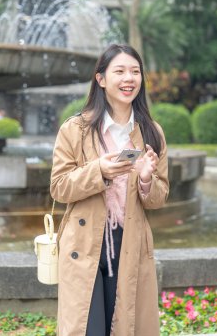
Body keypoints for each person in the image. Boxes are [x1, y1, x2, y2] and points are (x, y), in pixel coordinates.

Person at [50, 44, 169, 336]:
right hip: (85, 241)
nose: (129, 79)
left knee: (125, 326)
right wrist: (98, 171)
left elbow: (159, 197)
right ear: (101, 79)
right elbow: (59, 186)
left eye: (135, 72)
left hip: (130, 241)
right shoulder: (75, 129)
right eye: (120, 71)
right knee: (87, 328)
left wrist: (145, 179)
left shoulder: (151, 131)